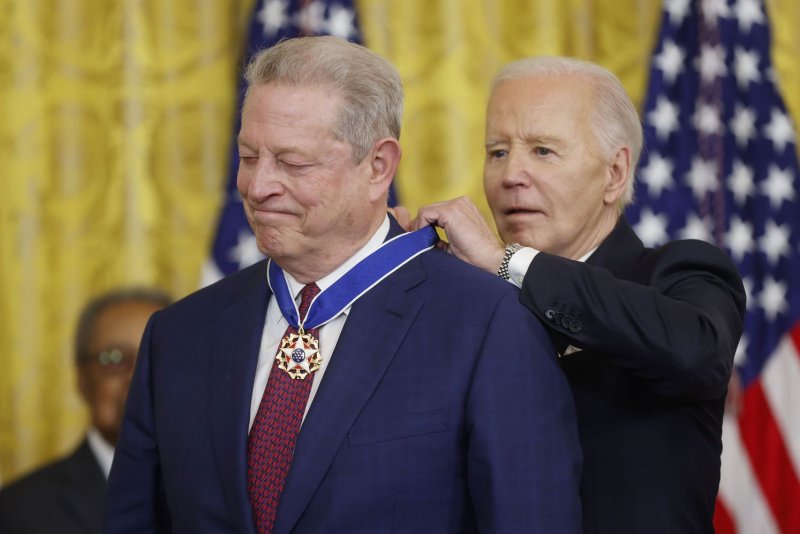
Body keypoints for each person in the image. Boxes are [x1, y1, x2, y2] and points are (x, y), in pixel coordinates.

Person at [104, 36, 582, 533]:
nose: (259, 186)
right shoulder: (178, 334)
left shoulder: (488, 324)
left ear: (377, 166)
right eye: (248, 157)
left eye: (293, 163)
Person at [412, 56, 746, 534]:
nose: (511, 176)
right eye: (497, 151)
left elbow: (698, 352)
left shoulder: (679, 272)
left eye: (543, 150)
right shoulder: (465, 296)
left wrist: (507, 263)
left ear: (614, 173)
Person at [0, 289, 170, 534]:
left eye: (154, 357)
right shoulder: (19, 509)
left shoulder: (217, 489)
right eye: (114, 358)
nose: (135, 378)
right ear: (82, 379)